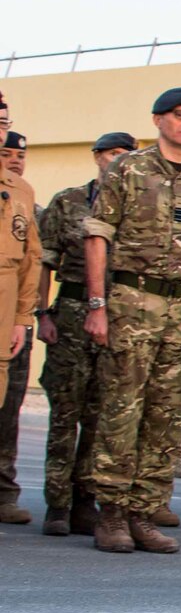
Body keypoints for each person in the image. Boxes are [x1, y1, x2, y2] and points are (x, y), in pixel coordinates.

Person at [83, 88, 181, 554]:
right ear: (158, 120)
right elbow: (97, 237)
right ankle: (110, 514)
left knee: (167, 417)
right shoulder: (129, 170)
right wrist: (97, 305)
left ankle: (144, 513)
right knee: (121, 410)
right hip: (133, 302)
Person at [36, 132, 134, 536]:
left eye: (126, 156)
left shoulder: (137, 205)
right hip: (73, 313)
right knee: (65, 413)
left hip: (119, 317)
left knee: (102, 416)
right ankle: (56, 505)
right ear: (97, 157)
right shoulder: (68, 201)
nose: (117, 161)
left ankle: (84, 501)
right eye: (112, 153)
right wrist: (42, 314)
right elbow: (45, 260)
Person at [0, 135, 40, 526]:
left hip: (13, 321)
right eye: (6, 154)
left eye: (20, 155)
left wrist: (25, 318)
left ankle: (4, 492)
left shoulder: (26, 198)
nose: (14, 161)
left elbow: (34, 263)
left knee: (8, 411)